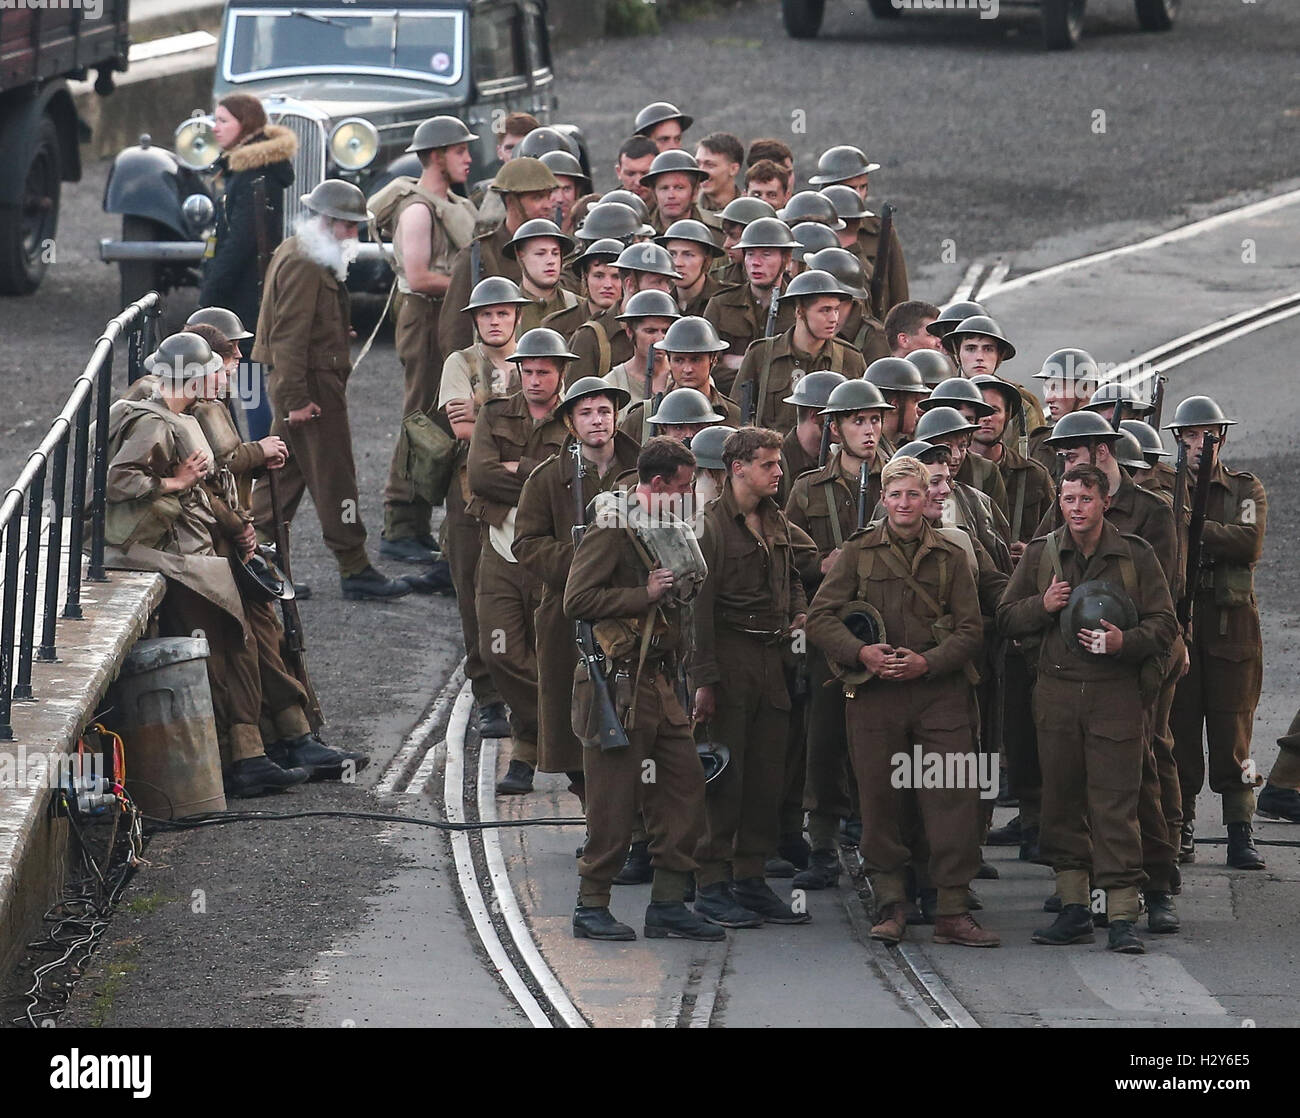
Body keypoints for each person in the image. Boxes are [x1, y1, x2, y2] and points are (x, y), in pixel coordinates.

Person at [104, 332, 311, 797]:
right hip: (168, 553)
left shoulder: (172, 415)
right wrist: (175, 483)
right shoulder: (156, 422)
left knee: (237, 641)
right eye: (212, 371)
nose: (221, 377)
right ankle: (242, 761)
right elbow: (119, 479)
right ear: (194, 379)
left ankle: (250, 756)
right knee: (228, 644)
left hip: (187, 549)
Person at [808, 456, 993, 946]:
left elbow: (973, 630)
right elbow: (821, 618)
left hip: (940, 694)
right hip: (876, 696)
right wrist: (861, 652)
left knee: (952, 798)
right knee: (879, 799)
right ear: (883, 499)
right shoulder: (858, 552)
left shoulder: (953, 554)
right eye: (895, 495)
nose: (905, 504)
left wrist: (927, 663)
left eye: (913, 494)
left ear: (927, 498)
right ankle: (891, 903)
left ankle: (952, 907)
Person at [997, 465, 1177, 954]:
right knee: (1061, 801)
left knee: (1116, 804)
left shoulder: (1134, 555)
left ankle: (1121, 913)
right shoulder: (1041, 555)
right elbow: (1006, 617)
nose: (1076, 508)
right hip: (1056, 693)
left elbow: (1165, 623)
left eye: (1085, 499)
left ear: (1103, 502)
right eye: (1068, 498)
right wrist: (1044, 605)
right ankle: (1075, 906)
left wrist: (1125, 641)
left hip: (1115, 694)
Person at [564, 437, 722, 941]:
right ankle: (592, 905)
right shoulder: (613, 527)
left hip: (658, 681)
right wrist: (644, 594)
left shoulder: (666, 529)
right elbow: (577, 599)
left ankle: (669, 902)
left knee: (684, 787)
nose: (688, 498)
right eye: (680, 488)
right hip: (618, 686)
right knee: (612, 803)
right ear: (657, 485)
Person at [249, 180, 410, 600]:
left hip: (306, 380)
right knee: (335, 477)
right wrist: (297, 400)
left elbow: (301, 324)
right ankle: (354, 568)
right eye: (349, 227)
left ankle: (254, 562)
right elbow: (289, 336)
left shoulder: (304, 250)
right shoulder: (306, 262)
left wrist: (336, 330)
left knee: (281, 476)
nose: (354, 236)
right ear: (328, 221)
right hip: (312, 386)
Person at [691, 427, 815, 928]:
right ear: (737, 468)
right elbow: (697, 609)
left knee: (767, 776)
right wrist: (704, 679)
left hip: (773, 659)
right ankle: (711, 883)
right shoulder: (711, 527)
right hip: (731, 657)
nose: (778, 472)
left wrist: (801, 616)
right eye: (768, 464)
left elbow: (794, 578)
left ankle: (750, 877)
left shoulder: (775, 520)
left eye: (778, 464)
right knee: (724, 777)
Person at [514, 378, 641, 808]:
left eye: (604, 411)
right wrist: (584, 559)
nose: (597, 421)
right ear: (570, 423)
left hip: (631, 609)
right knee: (576, 719)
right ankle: (593, 810)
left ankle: (626, 821)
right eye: (586, 413)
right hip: (569, 614)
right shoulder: (548, 478)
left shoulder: (641, 470)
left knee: (635, 717)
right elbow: (526, 544)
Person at [785, 380, 893, 890]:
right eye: (858, 421)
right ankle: (823, 843)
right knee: (823, 740)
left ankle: (882, 842)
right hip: (828, 630)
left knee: (880, 740)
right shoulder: (808, 488)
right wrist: (816, 571)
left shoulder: (898, 478)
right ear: (835, 427)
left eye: (875, 420)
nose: (869, 430)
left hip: (886, 626)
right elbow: (787, 558)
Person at [1165, 396, 1268, 870]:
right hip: (1184, 622)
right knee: (1180, 730)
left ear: (1220, 438)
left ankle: (1240, 828)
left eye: (1206, 435)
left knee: (1235, 734)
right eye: (1188, 436)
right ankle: (1180, 822)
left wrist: (1194, 525)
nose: (1197, 445)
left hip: (1232, 627)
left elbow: (1248, 542)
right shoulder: (1164, 490)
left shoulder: (1245, 488)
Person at [467, 328, 571, 794]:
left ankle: (526, 754)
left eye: (542, 372)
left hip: (551, 554)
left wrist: (518, 471)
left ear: (561, 373)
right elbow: (480, 476)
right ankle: (559, 733)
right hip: (501, 549)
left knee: (550, 654)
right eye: (526, 371)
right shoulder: (494, 413)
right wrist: (539, 482)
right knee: (500, 652)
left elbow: (573, 486)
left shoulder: (575, 418)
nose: (532, 380)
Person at [377, 116, 480, 565]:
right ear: (437, 156)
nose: (469, 158)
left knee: (440, 416)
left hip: (448, 315)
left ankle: (416, 524)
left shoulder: (451, 203)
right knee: (419, 415)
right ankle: (401, 525)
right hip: (423, 317)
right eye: (460, 151)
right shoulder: (418, 209)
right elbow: (418, 276)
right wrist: (470, 288)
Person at [438, 277, 531, 739]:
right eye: (487, 314)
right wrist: (510, 451)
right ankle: (489, 696)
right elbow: (460, 430)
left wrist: (488, 431)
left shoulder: (532, 360)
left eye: (503, 313)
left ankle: (529, 697)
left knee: (532, 594)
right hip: (470, 496)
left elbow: (549, 427)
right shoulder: (461, 362)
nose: (495, 321)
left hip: (525, 495)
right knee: (475, 594)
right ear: (475, 320)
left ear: (517, 316)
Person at [200, 93, 296, 442]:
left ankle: (260, 458)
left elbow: (241, 243)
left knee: (249, 382)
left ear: (247, 125)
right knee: (238, 383)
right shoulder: (244, 169)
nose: (215, 127)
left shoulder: (255, 174)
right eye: (215, 119)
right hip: (241, 295)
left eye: (223, 120)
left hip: (243, 299)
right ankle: (249, 455)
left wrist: (210, 293)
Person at [437, 158, 560, 357]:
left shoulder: (561, 251)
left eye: (548, 196)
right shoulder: (478, 256)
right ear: (511, 202)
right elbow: (455, 332)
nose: (548, 205)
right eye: (537, 198)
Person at [729, 269, 867, 431]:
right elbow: (738, 416)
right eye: (825, 310)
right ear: (800, 311)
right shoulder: (761, 355)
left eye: (836, 309)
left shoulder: (850, 359)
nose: (834, 319)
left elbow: (862, 419)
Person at [807, 144, 909, 312]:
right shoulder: (811, 231)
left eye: (863, 187)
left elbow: (899, 295)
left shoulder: (880, 231)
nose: (859, 195)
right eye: (851, 188)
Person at [703, 217, 797, 394]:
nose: (755, 262)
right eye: (750, 253)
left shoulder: (797, 309)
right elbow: (705, 369)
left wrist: (743, 363)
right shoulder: (721, 304)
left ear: (786, 259)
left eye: (766, 254)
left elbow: (799, 372)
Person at [565, 241, 679, 385]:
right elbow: (577, 400)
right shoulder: (591, 337)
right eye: (657, 282)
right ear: (630, 284)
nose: (666, 290)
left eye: (668, 283)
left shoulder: (676, 333)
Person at [618, 316, 741, 444]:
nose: (687, 369)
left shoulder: (734, 416)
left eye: (695, 360)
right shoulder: (642, 418)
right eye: (679, 360)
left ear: (713, 360)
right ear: (669, 360)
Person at [970, 375, 1056, 555]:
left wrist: (1032, 553)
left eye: (994, 410)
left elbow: (1058, 535)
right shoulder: (951, 474)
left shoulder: (1034, 475)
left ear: (1007, 416)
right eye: (980, 409)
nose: (986, 418)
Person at [918, 380, 1010, 526]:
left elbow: (997, 534)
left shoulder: (986, 471)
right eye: (947, 445)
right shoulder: (908, 467)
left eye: (969, 420)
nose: (955, 456)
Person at [940, 314, 1047, 441]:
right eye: (970, 349)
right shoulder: (941, 397)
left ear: (999, 355)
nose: (979, 357)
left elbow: (1034, 451)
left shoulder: (1021, 402)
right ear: (958, 354)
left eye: (988, 349)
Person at [603, 289, 678, 413]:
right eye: (650, 331)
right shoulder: (612, 383)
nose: (660, 338)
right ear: (630, 332)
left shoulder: (686, 376)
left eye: (665, 331)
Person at [503, 217, 580, 330]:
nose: (550, 261)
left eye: (555, 253)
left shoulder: (579, 307)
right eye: (540, 254)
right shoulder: (502, 312)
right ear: (520, 257)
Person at [541, 237, 624, 340]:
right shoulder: (556, 326)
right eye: (598, 276)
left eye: (616, 277)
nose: (607, 284)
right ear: (585, 277)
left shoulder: (638, 325)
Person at [659, 218, 727, 316]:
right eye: (672, 254)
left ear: (707, 260)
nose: (678, 263)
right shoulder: (661, 300)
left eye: (688, 255)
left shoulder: (725, 300)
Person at [865, 356, 930, 458]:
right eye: (915, 402)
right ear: (895, 405)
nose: (918, 409)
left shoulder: (885, 448)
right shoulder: (872, 455)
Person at [642, 149, 712, 234]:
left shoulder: (715, 233)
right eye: (664, 188)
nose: (671, 195)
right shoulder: (641, 233)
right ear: (654, 193)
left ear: (695, 191)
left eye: (679, 188)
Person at [696, 132, 743, 215]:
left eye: (710, 165)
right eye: (698, 164)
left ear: (733, 169)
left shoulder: (748, 212)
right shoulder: (687, 212)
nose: (701, 171)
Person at [614, 135, 658, 205]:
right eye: (630, 174)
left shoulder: (674, 211)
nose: (638, 182)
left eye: (645, 173)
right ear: (618, 172)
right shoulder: (606, 211)